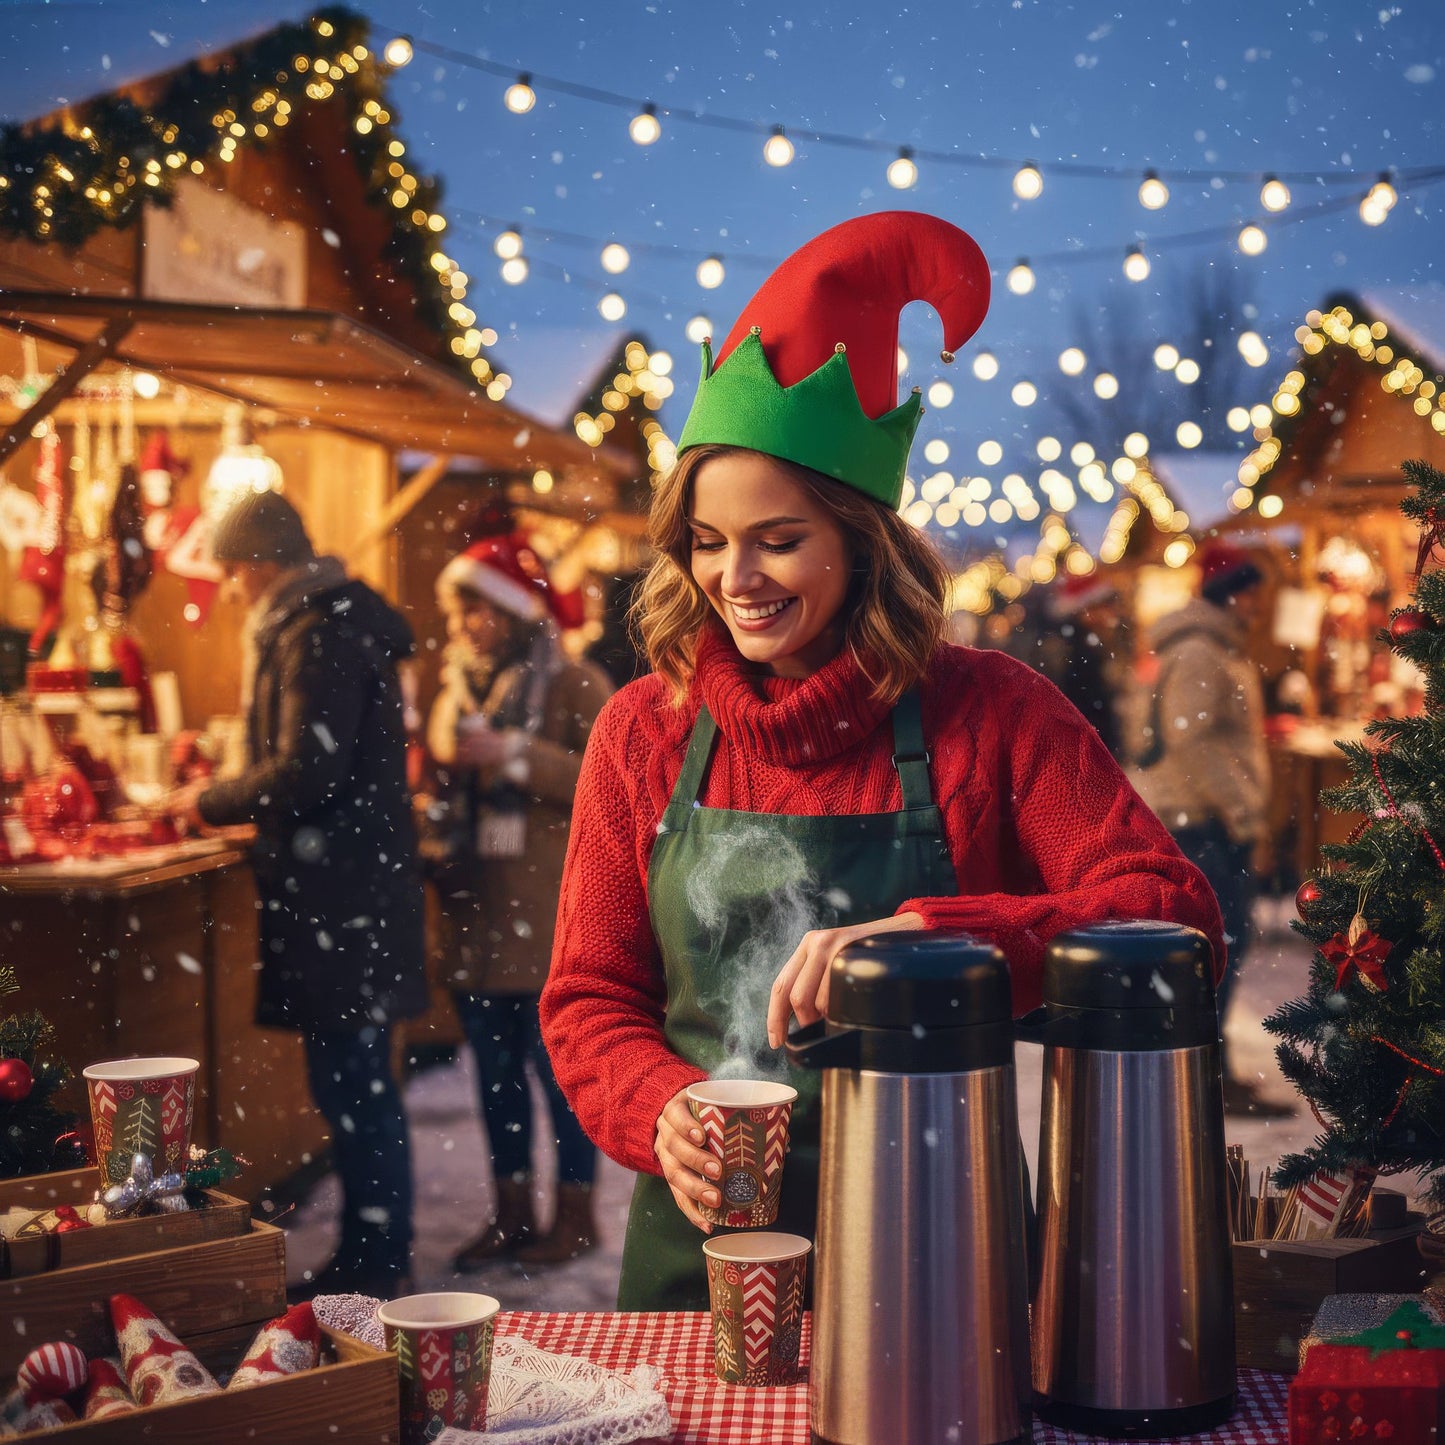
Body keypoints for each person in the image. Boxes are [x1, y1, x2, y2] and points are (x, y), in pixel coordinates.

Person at [539, 211, 1227, 1311]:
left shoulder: (991, 714)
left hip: (944, 1264)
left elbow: (1174, 919)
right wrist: (656, 1103)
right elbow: (590, 996)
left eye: (776, 538)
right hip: (699, 1271)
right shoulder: (641, 730)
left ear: (862, 540)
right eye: (707, 542)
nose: (735, 578)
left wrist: (943, 939)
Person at [166, 488, 427, 1297]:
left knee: (353, 1083)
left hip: (341, 898)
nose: (235, 588)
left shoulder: (316, 633)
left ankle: (375, 1259)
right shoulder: (330, 624)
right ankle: (374, 1248)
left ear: (264, 563)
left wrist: (208, 800)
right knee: (355, 1081)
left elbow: (309, 767)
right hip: (350, 890)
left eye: (237, 572)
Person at [425, 532, 613, 1268]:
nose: (464, 624)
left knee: (560, 1083)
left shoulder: (572, 682)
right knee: (495, 1086)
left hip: (546, 926)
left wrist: (511, 754)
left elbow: (605, 781)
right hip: (478, 916)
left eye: (476, 607)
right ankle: (508, 1213)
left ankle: (575, 1216)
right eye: (458, 609)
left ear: (511, 612)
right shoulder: (461, 687)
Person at [1127, 538, 1289, 1117]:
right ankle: (1201, 1072)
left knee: (1221, 943)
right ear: (1236, 592)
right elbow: (1193, 740)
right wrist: (1242, 812)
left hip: (1204, 818)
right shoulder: (1200, 651)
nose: (1260, 605)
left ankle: (1205, 1067)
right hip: (1198, 822)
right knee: (1217, 944)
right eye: (1254, 592)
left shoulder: (1214, 647)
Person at [1038, 572, 1128, 761]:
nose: (1110, 615)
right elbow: (1090, 710)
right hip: (1089, 756)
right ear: (1085, 611)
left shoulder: (1081, 646)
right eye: (1103, 607)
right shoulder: (1082, 653)